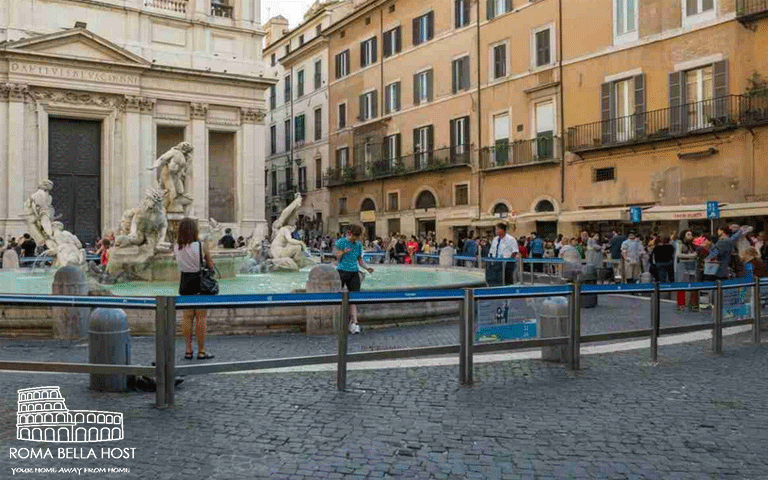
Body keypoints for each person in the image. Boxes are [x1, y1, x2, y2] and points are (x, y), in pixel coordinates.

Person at [174, 217, 215, 360]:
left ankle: (188, 350)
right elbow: (210, 264)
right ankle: (202, 351)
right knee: (201, 317)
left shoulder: (177, 246)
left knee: (187, 316)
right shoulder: (201, 245)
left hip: (185, 281)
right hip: (198, 281)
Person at [335, 224, 374, 334]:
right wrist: (343, 252)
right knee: (339, 297)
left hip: (354, 272)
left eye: (357, 237)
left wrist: (367, 268)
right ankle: (341, 321)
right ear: (349, 234)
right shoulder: (341, 242)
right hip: (342, 271)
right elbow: (337, 257)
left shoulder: (358, 245)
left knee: (354, 298)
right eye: (355, 236)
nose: (356, 239)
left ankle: (354, 323)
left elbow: (359, 259)